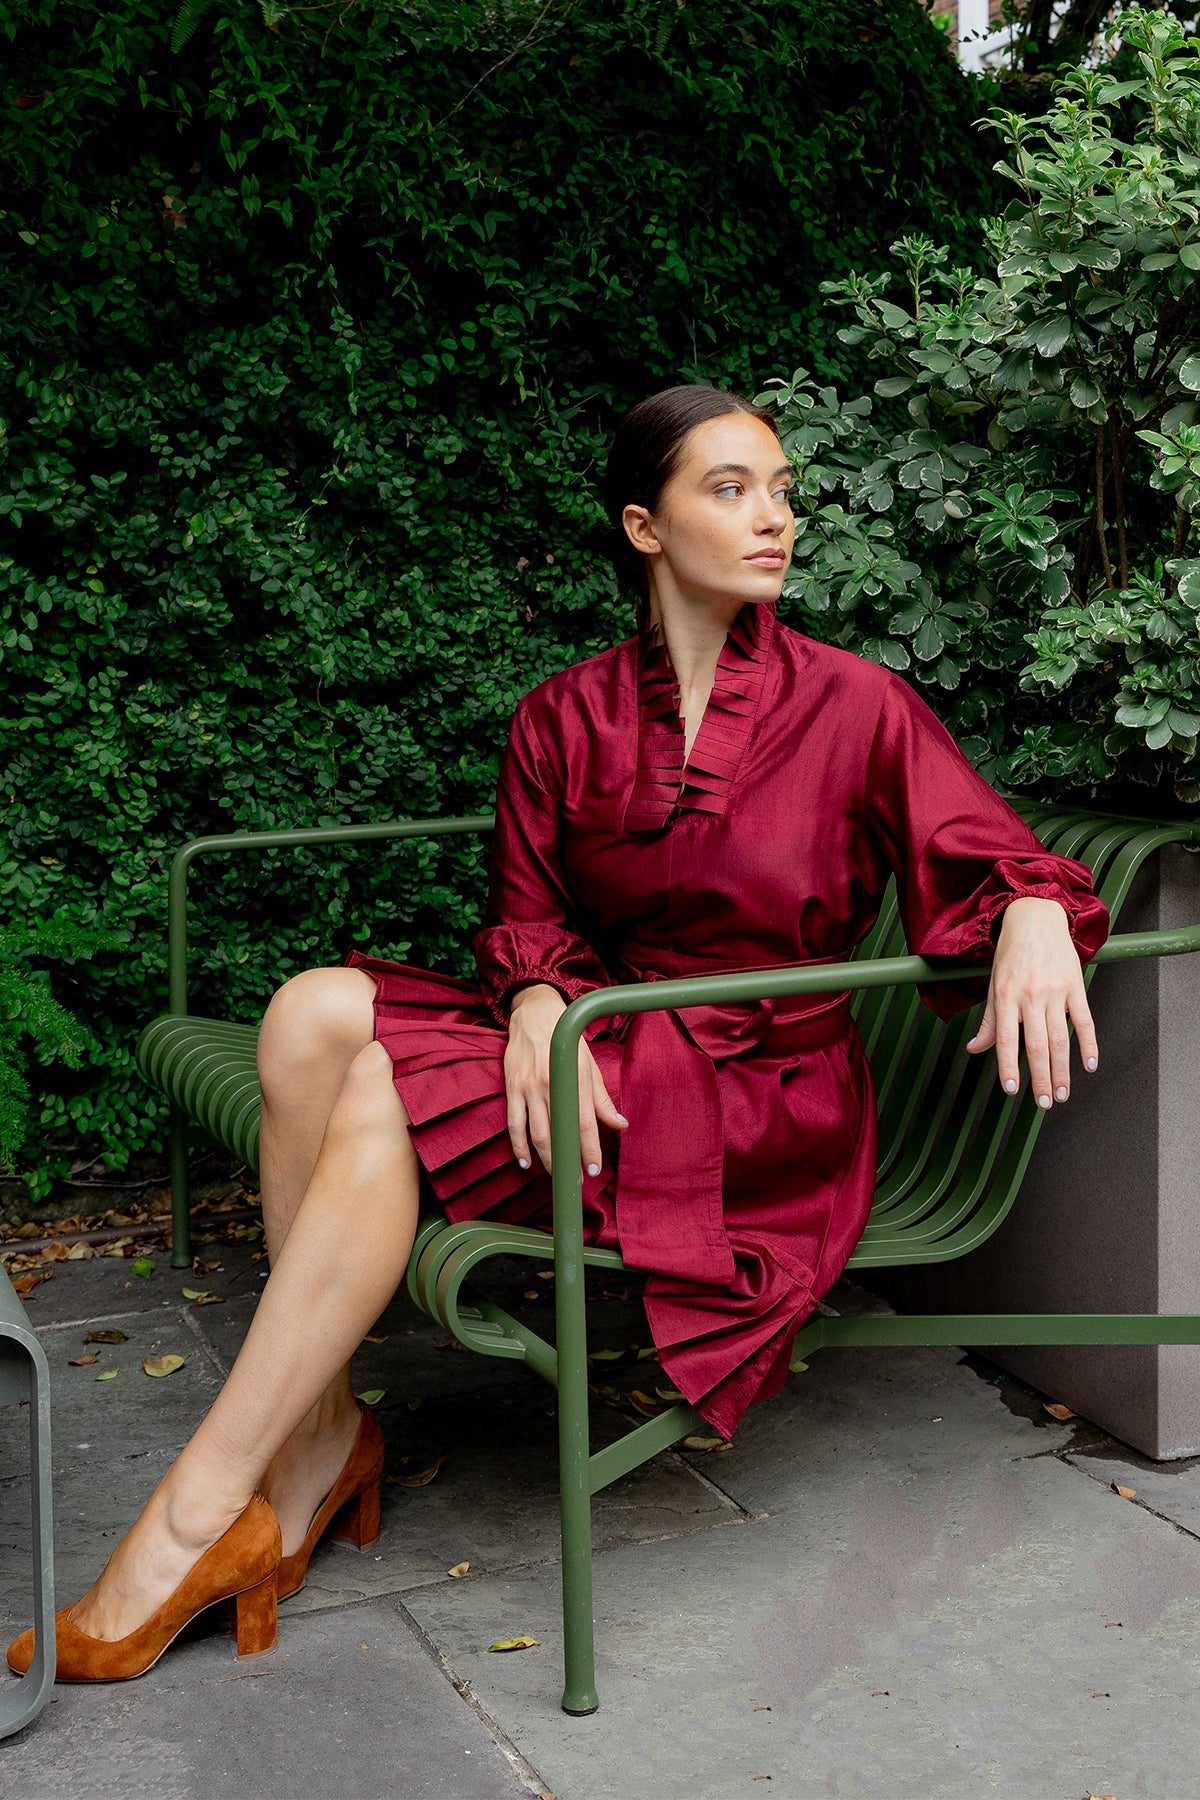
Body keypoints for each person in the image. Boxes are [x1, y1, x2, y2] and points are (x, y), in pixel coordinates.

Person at [7, 384, 1107, 1683]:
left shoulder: (857, 705)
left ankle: (200, 1515)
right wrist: (536, 1002)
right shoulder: (561, 716)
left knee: (379, 1090)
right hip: (610, 1046)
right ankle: (314, 1438)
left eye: (780, 490)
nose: (773, 518)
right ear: (645, 527)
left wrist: (1030, 910)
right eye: (730, 489)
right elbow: (527, 918)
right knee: (308, 1011)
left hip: (759, 1105)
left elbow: (991, 852)